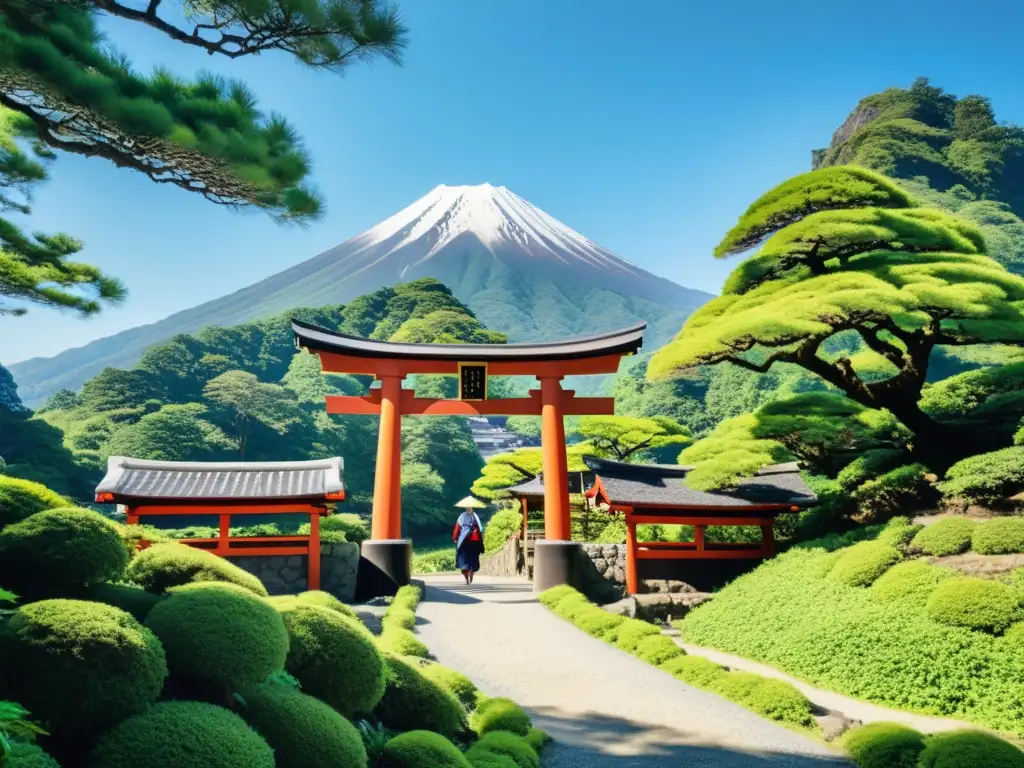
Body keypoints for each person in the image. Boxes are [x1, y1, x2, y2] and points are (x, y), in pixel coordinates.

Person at [453, 507, 485, 585]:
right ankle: (471, 571)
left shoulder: (462, 516)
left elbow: (457, 528)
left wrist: (455, 538)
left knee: (463, 560)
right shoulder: (475, 516)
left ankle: (467, 577)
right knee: (473, 559)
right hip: (475, 541)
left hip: (464, 541)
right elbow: (480, 529)